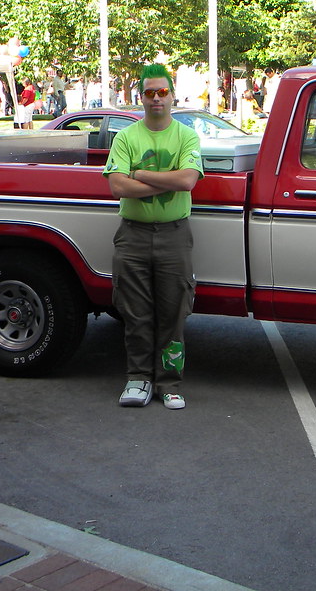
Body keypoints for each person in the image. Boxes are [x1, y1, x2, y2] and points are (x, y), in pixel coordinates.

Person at [103, 64, 203, 410]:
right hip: (132, 235)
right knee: (135, 313)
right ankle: (138, 379)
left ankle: (169, 383)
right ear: (141, 98)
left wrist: (141, 174)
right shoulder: (126, 138)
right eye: (150, 93)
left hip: (175, 236)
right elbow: (118, 186)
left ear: (173, 96)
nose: (156, 99)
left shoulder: (186, 136)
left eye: (162, 92)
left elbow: (187, 180)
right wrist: (166, 179)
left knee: (174, 313)